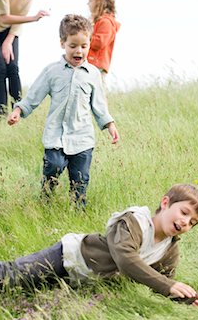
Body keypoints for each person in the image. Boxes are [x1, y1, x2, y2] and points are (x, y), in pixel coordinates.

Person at [0, 184, 198, 308]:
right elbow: (126, 259)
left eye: (193, 222)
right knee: (10, 275)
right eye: (184, 213)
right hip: (66, 257)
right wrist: (166, 286)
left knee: (8, 293)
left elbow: (163, 282)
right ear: (166, 203)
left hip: (77, 280)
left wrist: (185, 297)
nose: (186, 222)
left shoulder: (169, 248)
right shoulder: (134, 221)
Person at [7, 14, 120, 206]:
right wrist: (18, 110)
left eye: (84, 46)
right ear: (62, 44)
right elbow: (34, 95)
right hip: (55, 136)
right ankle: (45, 201)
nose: (79, 51)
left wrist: (110, 125)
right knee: (54, 166)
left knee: (80, 179)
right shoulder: (52, 71)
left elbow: (99, 105)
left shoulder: (92, 74)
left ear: (89, 44)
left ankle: (78, 213)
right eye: (73, 45)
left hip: (82, 138)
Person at [87, 0, 121, 91]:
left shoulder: (106, 22)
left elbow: (99, 43)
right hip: (92, 65)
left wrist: (85, 36)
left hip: (96, 65)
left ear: (99, 2)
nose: (88, 4)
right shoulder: (99, 22)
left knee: (97, 95)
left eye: (91, 0)